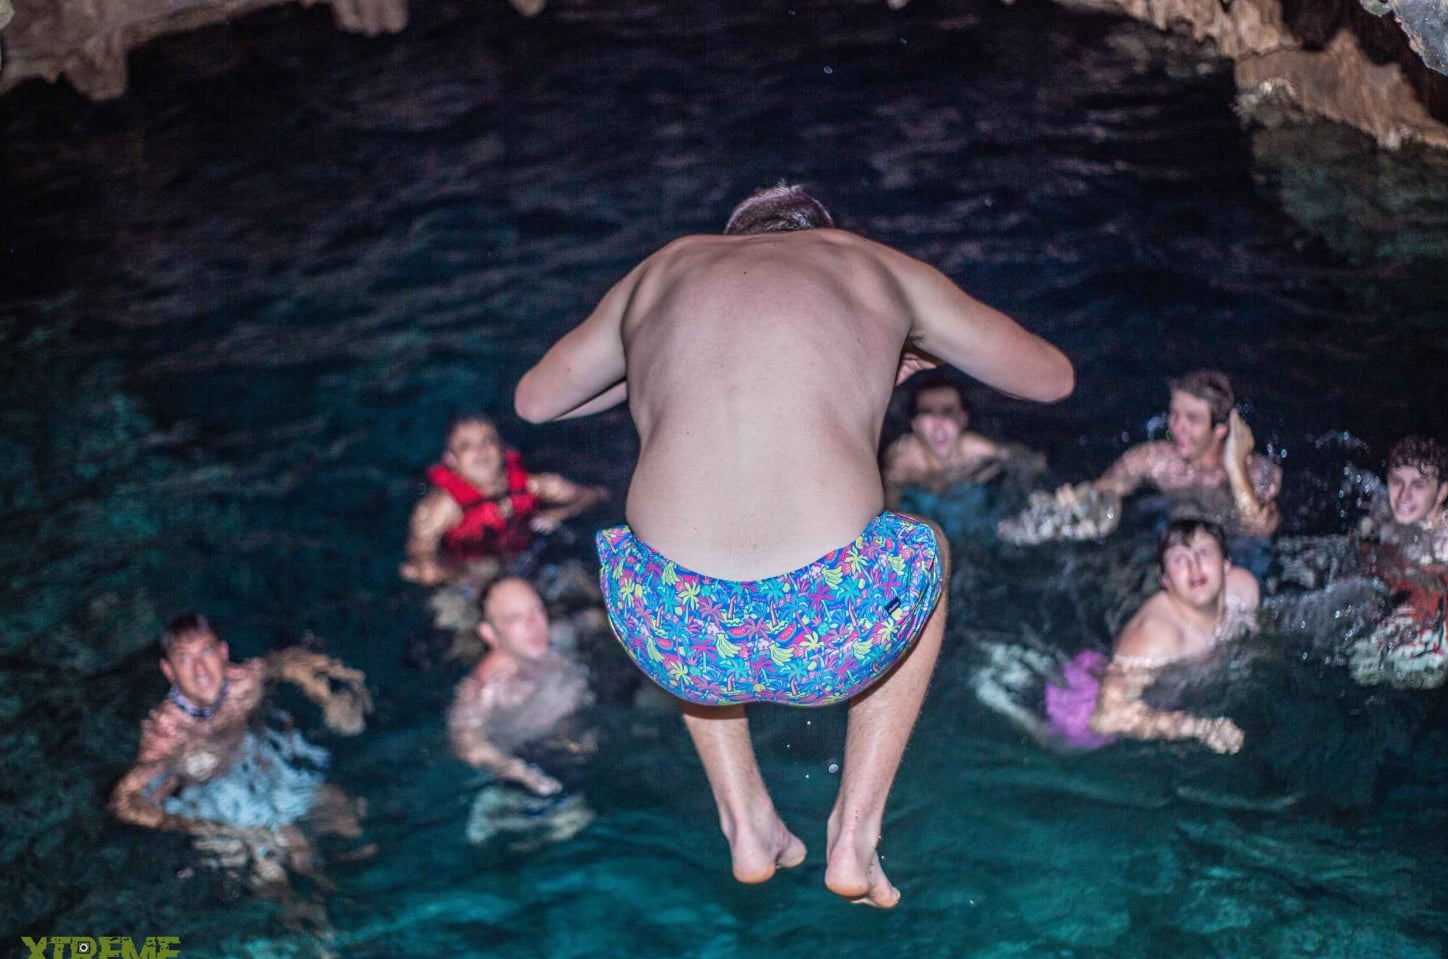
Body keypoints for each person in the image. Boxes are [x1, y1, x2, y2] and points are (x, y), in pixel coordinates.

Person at [514, 182, 1073, 907]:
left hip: (670, 637)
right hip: (835, 636)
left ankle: (746, 818)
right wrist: (893, 343)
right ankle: (855, 833)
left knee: (675, 560)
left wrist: (651, 361)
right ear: (822, 230)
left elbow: (534, 401)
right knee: (924, 544)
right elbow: (1052, 378)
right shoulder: (868, 266)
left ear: (731, 234)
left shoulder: (662, 271)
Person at [109, 614, 372, 890]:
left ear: (223, 653)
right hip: (216, 802)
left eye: (207, 652)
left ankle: (361, 894)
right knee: (279, 871)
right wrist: (185, 824)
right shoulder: (167, 734)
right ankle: (309, 919)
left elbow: (290, 660)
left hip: (261, 764)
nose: (200, 670)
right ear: (169, 671)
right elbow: (123, 801)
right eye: (185, 659)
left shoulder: (243, 684)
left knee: (346, 817)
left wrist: (329, 695)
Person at [1087, 518, 1260, 753]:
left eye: (1204, 552)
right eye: (1180, 559)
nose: (1195, 566)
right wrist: (1197, 729)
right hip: (1091, 705)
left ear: (1226, 564)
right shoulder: (1155, 638)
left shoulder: (1243, 591)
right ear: (1165, 579)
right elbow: (1106, 719)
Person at [1349, 435, 1448, 688]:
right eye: (1397, 482)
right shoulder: (1379, 516)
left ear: (1441, 492)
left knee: (1424, 670)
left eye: (1418, 485)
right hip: (1405, 583)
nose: (1403, 496)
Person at [1057, 370, 1281, 539]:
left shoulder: (1256, 470)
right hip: (1174, 546)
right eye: (1174, 415)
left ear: (1221, 427)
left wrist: (1235, 467)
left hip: (1238, 554)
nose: (1177, 428)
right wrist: (1078, 498)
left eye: (1192, 419)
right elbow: (1106, 487)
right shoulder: (1156, 459)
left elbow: (1260, 529)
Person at [401, 414, 609, 586]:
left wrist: (559, 513)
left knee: (588, 611)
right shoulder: (439, 510)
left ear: (502, 449)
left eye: (487, 441)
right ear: (451, 460)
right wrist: (462, 576)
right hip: (471, 575)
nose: (480, 450)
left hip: (530, 559)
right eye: (466, 446)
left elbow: (596, 495)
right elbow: (421, 563)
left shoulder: (533, 485)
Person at [448, 577, 595, 797]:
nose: (533, 625)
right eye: (514, 619)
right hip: (531, 761)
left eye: (537, 611)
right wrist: (519, 772)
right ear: (489, 633)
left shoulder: (558, 640)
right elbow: (468, 746)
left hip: (571, 738)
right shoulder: (485, 689)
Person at [881, 375, 1045, 511]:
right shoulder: (902, 461)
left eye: (948, 411)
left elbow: (1031, 461)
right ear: (915, 424)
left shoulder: (975, 449)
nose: (939, 422)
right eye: (928, 412)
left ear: (962, 420)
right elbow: (887, 514)